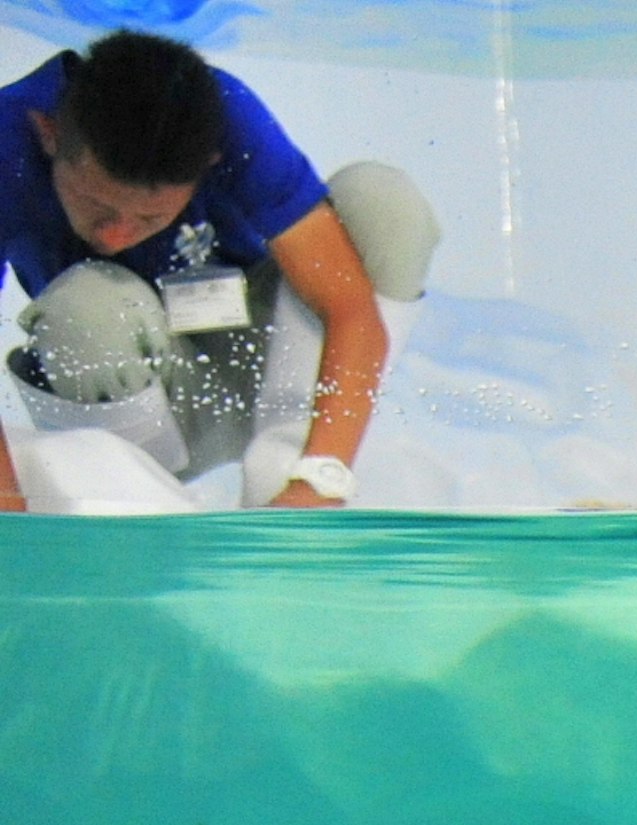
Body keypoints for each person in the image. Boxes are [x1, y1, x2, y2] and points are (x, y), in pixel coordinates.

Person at [0, 30, 432, 513]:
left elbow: (349, 309)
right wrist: (8, 501)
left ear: (211, 164)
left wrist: (320, 479)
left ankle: (288, 467)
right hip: (122, 386)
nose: (116, 237)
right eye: (96, 205)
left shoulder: (228, 120)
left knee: (383, 204)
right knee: (87, 305)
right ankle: (131, 496)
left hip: (260, 365)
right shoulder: (4, 139)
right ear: (48, 133)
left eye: (150, 217)